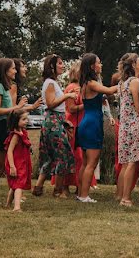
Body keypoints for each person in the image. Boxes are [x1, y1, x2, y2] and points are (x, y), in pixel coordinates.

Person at [75, 52, 118, 203]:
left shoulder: (85, 83)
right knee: (91, 163)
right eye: (99, 62)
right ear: (93, 66)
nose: (101, 65)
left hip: (86, 122)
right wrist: (124, 83)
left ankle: (81, 193)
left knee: (86, 163)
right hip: (93, 124)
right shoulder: (92, 83)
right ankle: (84, 196)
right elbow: (110, 90)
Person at [33, 54, 77, 198]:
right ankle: (58, 191)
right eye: (59, 63)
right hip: (52, 121)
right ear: (51, 66)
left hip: (55, 120)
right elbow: (51, 103)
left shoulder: (52, 82)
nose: (62, 65)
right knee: (62, 154)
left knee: (50, 156)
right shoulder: (50, 83)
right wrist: (67, 95)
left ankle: (38, 187)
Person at [0, 58, 28, 204]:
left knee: (0, 166)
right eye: (13, 68)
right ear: (5, 70)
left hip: (5, 126)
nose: (15, 71)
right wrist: (16, 107)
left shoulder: (5, 87)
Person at [117, 52, 139, 207]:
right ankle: (126, 198)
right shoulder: (135, 82)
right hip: (134, 124)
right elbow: (138, 106)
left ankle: (122, 195)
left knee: (126, 163)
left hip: (124, 126)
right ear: (134, 65)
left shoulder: (122, 83)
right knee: (133, 162)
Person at [62, 62, 86, 193]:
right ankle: (65, 186)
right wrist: (86, 104)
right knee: (72, 155)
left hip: (81, 123)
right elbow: (71, 109)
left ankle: (79, 185)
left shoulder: (81, 87)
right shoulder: (72, 87)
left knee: (81, 157)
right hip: (72, 124)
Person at [4, 109, 32, 212]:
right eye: (23, 119)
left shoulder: (23, 132)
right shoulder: (15, 135)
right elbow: (9, 151)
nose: (26, 121)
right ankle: (17, 207)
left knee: (14, 185)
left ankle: (8, 204)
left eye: (26, 119)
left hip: (22, 162)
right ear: (16, 121)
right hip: (16, 163)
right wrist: (12, 166)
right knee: (19, 184)